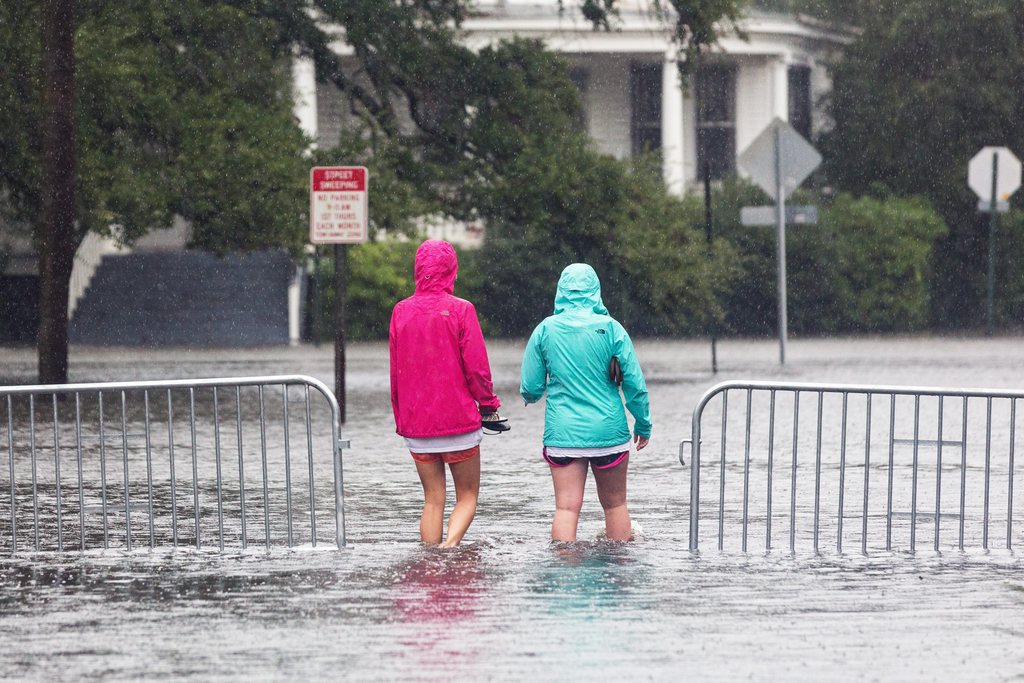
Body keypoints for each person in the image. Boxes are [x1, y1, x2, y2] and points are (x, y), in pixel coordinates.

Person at [520, 263, 651, 543]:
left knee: (566, 508)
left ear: (560, 291)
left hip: (563, 434)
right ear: (596, 291)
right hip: (608, 432)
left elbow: (530, 388)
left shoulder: (545, 330)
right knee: (615, 505)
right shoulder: (612, 329)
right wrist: (643, 423)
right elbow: (634, 384)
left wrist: (533, 395)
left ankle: (563, 572)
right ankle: (617, 574)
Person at [389, 239, 507, 547]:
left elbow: (396, 371)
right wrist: (489, 405)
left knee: (432, 500)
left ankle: (431, 561)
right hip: (458, 423)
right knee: (467, 496)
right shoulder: (461, 310)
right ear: (451, 270)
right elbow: (477, 368)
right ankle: (450, 548)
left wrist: (403, 418)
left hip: (417, 425)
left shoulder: (400, 312)